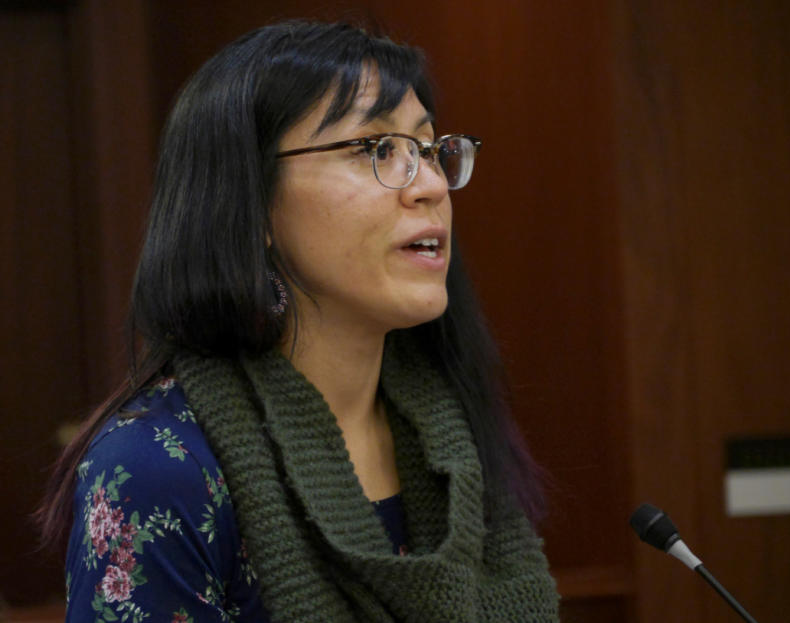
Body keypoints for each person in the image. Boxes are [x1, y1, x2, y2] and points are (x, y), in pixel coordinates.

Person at [39, 20, 559, 622]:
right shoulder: (161, 467)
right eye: (375, 149)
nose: (433, 186)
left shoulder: (450, 437)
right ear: (252, 203)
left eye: (427, 148)